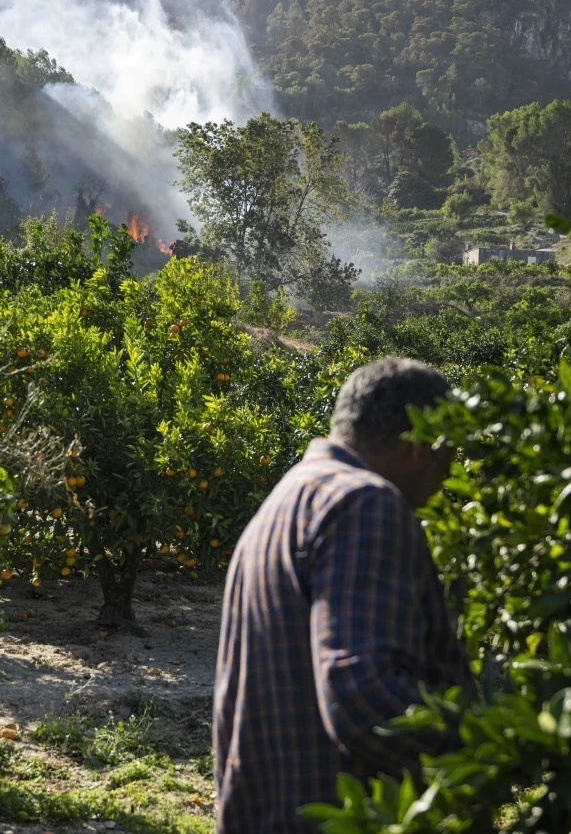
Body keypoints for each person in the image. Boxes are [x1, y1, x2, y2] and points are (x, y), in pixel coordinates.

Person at [213, 357, 475, 833]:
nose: (447, 479)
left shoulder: (288, 498)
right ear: (419, 447)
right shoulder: (366, 503)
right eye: (449, 454)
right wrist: (484, 745)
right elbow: (361, 690)